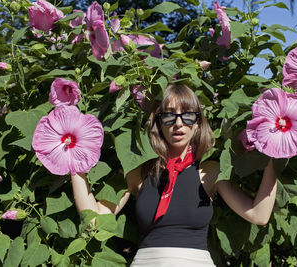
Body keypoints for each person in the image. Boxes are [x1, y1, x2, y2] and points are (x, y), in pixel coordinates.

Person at [71, 84, 277, 266]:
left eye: (188, 115)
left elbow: (258, 215)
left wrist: (275, 155)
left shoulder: (210, 172)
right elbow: (94, 222)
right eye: (169, 116)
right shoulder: (138, 172)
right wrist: (72, 163)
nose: (179, 123)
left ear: (197, 123)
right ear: (159, 123)